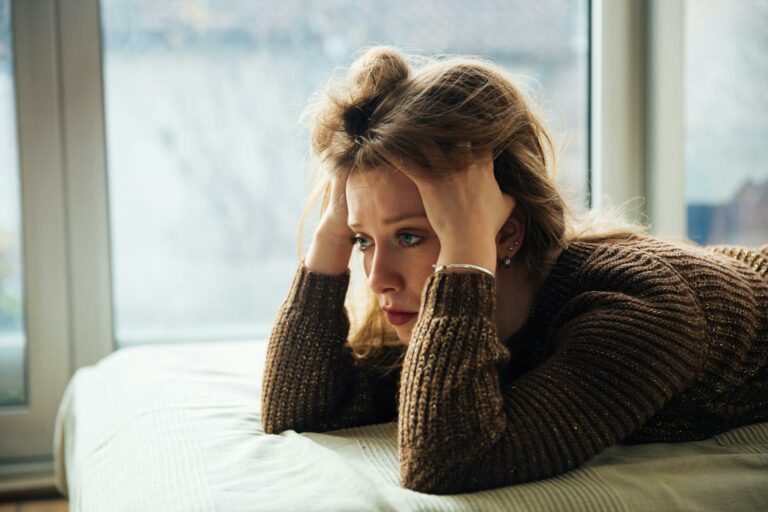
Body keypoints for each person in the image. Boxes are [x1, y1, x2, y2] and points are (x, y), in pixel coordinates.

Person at [260, 46, 768, 495]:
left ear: (507, 232)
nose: (377, 279)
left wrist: (465, 247)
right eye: (364, 241)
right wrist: (330, 239)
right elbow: (301, 409)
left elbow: (449, 462)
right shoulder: (453, 322)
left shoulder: (642, 310)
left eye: (410, 236)